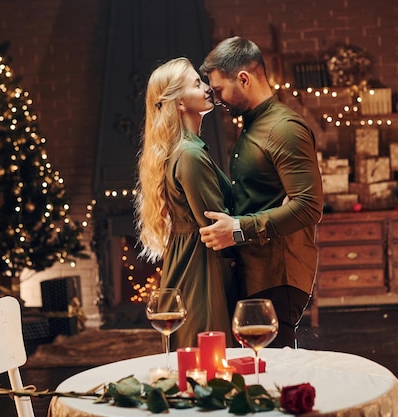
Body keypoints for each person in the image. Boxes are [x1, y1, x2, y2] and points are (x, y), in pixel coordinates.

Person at [198, 37, 324, 348]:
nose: (215, 99)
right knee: (258, 374)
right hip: (256, 271)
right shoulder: (252, 127)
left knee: (274, 378)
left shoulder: (284, 128)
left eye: (218, 90)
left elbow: (309, 206)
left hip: (277, 275)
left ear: (244, 78)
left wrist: (238, 229)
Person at [134, 57, 234, 349]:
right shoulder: (189, 154)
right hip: (201, 271)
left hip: (186, 262)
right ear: (179, 103)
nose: (207, 88)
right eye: (196, 83)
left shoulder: (180, 150)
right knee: (208, 363)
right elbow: (217, 226)